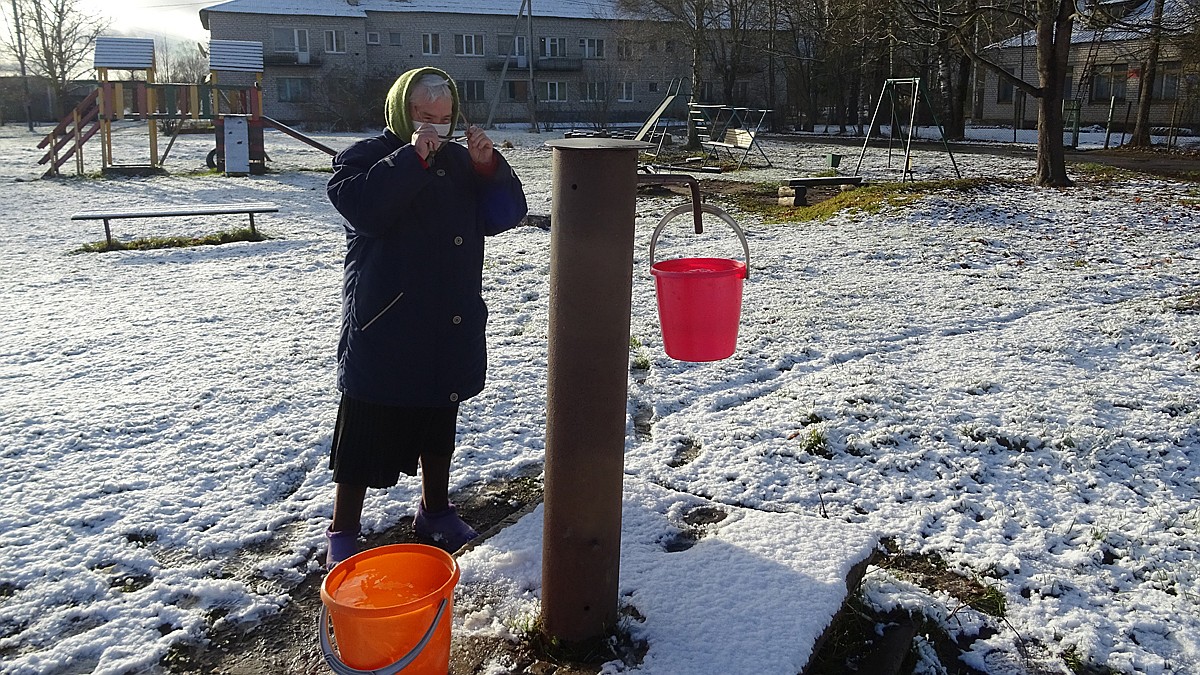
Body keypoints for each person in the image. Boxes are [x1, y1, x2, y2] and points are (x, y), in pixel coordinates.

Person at [324, 67, 528, 568]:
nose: (435, 128)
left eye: (443, 118)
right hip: (385, 320)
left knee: (440, 416)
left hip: (449, 315)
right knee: (364, 427)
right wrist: (411, 158)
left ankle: (435, 510)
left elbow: (505, 216)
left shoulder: (460, 162)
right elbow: (366, 211)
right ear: (402, 113)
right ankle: (343, 529)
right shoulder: (364, 158)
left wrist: (488, 168)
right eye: (423, 118)